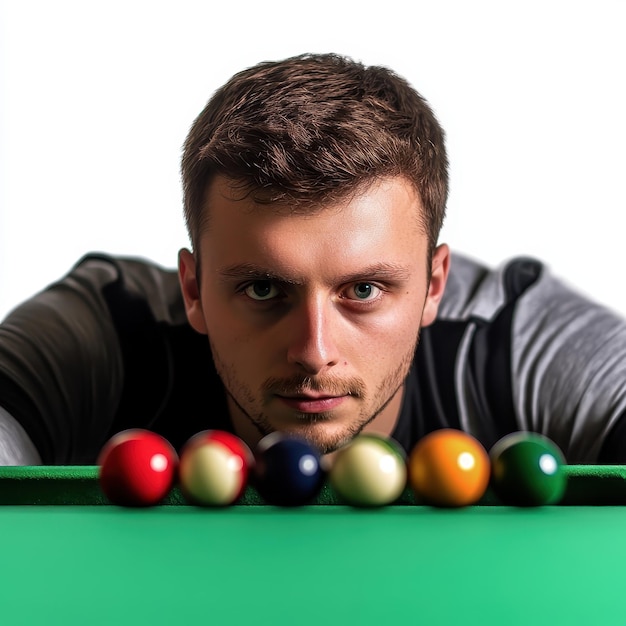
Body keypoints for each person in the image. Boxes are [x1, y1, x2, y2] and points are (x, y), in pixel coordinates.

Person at [2, 53, 626, 467]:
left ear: (436, 284)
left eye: (363, 291)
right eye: (263, 290)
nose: (312, 350)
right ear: (191, 290)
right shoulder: (109, 327)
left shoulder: (510, 338)